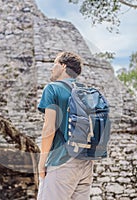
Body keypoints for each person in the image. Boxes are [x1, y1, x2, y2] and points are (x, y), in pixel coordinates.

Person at [37, 52, 94, 200]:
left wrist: (42, 162)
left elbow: (49, 128)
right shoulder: (87, 92)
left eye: (54, 63)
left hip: (61, 161)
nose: (51, 68)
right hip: (86, 163)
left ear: (63, 66)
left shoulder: (53, 88)